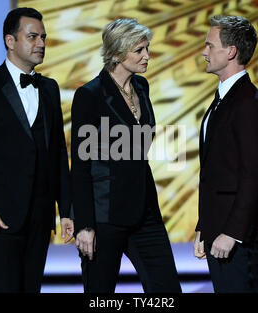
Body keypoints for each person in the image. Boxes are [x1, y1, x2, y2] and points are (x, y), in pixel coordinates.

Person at [0, 7, 73, 292]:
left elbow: (58, 152)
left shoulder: (49, 88)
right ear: (10, 41)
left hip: (40, 215)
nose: (42, 44)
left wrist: (67, 211)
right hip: (1, 215)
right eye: (33, 37)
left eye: (44, 38)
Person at [71, 18, 181, 293]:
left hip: (146, 211)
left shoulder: (141, 87)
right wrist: (84, 224)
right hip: (105, 215)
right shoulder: (90, 95)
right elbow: (81, 165)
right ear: (118, 53)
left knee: (167, 291)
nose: (147, 56)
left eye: (147, 49)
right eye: (139, 50)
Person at [193, 15, 258, 293]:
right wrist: (205, 226)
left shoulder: (248, 103)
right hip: (218, 230)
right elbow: (216, 172)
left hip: (236, 237)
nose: (204, 52)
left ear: (231, 52)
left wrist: (233, 234)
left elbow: (252, 176)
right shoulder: (224, 99)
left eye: (210, 45)